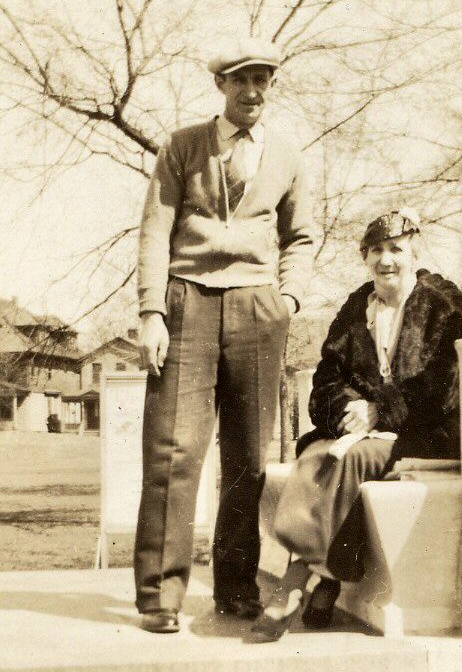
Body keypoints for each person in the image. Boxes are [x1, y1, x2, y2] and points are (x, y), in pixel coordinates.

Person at [134, 37, 313, 633]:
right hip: (186, 300)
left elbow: (301, 236)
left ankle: (235, 588)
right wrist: (151, 312)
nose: (252, 91)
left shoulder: (288, 155)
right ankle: (160, 596)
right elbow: (155, 229)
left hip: (257, 307)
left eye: (262, 80)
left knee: (248, 457)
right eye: (241, 80)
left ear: (271, 87)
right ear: (221, 86)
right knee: (174, 450)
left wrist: (288, 298)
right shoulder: (183, 145)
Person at [249, 208, 462, 642]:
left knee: (355, 458)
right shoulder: (357, 308)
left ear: (414, 252)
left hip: (424, 431)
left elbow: (442, 385)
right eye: (376, 251)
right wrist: (351, 408)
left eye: (396, 249)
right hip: (363, 430)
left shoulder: (442, 305)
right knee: (315, 453)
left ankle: (295, 581)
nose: (386, 260)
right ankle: (327, 576)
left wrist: (380, 409)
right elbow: (326, 379)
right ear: (365, 257)